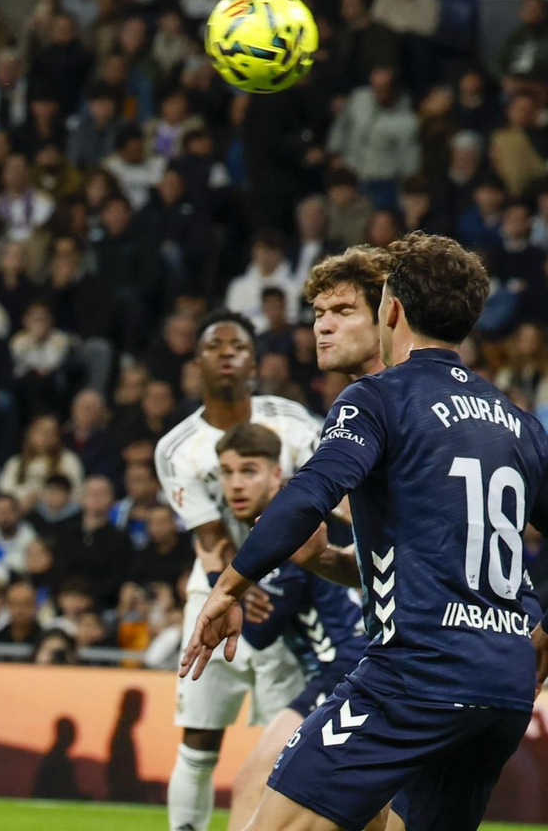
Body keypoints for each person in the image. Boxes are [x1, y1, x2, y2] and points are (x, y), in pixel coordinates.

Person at [181, 233, 548, 831]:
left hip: (415, 672)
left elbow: (309, 493)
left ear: (391, 309)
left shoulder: (376, 400)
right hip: (504, 683)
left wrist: (230, 584)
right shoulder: (518, 422)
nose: (324, 325)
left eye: (343, 310)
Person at [151, 309, 320, 831]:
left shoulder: (294, 423)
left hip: (292, 604)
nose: (227, 353)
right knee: (198, 740)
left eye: (239, 346)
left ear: (255, 361)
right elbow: (209, 536)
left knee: (286, 743)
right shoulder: (177, 448)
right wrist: (238, 589)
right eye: (214, 346)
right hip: (218, 593)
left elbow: (326, 504)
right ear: (196, 362)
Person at [216, 423, 369, 831]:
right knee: (370, 811)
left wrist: (238, 584)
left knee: (255, 779)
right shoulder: (297, 521)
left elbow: (260, 634)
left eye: (248, 471)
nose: (235, 485)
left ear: (276, 475)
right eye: (226, 473)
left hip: (346, 668)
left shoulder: (288, 529)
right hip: (357, 667)